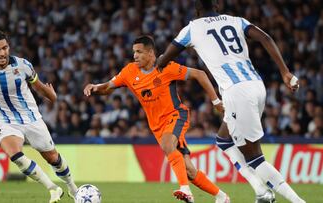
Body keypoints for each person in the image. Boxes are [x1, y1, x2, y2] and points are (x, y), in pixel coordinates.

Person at [157, 1, 305, 203]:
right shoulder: (237, 21)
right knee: (224, 140)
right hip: (257, 86)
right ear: (217, 5)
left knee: (254, 157)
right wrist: (284, 71)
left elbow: (165, 58)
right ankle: (261, 192)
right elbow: (265, 37)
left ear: (196, 9)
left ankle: (297, 201)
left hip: (237, 93)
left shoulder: (191, 28)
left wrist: (158, 63)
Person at [84, 35, 230, 203]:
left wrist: (216, 101)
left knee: (168, 145)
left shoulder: (166, 68)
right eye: (134, 52)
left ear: (151, 53)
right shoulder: (129, 71)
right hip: (157, 126)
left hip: (176, 115)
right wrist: (95, 87)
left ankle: (186, 191)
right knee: (189, 169)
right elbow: (107, 87)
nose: (135, 56)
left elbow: (200, 74)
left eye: (139, 52)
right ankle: (222, 197)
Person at [0, 30, 77, 203]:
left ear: (9, 47)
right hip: (6, 121)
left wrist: (52, 96)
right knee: (14, 154)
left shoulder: (23, 65)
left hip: (31, 118)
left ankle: (72, 187)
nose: (2, 53)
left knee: (53, 158)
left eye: (4, 48)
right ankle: (53, 188)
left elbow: (38, 86)